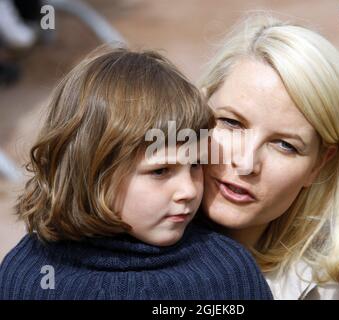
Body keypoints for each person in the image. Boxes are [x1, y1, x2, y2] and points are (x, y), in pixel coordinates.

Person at [0, 45, 272, 300]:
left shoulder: (225, 274)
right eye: (161, 170)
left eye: (196, 165)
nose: (188, 190)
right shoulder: (27, 278)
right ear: (93, 172)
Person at [198, 13, 339, 299]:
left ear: (319, 165)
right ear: (198, 110)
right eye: (231, 123)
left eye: (285, 145)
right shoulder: (123, 239)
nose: (246, 163)